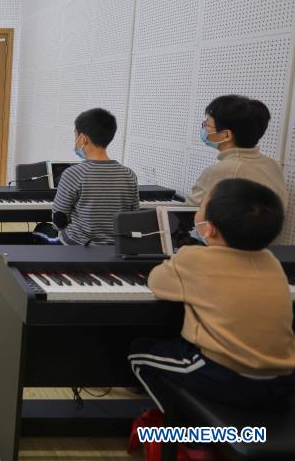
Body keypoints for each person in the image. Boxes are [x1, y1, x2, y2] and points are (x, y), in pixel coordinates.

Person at [129, 178, 295, 411]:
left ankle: (188, 431)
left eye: (202, 206)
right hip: (282, 380)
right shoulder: (271, 262)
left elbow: (156, 282)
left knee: (139, 353)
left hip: (224, 376)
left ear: (208, 227)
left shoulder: (194, 258)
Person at [51, 108, 139, 245]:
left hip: (80, 245)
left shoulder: (73, 174)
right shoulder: (129, 174)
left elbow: (59, 220)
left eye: (75, 135)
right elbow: (133, 217)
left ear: (83, 139)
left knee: (42, 231)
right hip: (117, 247)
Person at [187, 95, 287, 209]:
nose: (204, 128)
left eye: (207, 124)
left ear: (226, 135)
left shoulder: (222, 170)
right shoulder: (272, 165)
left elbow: (189, 212)